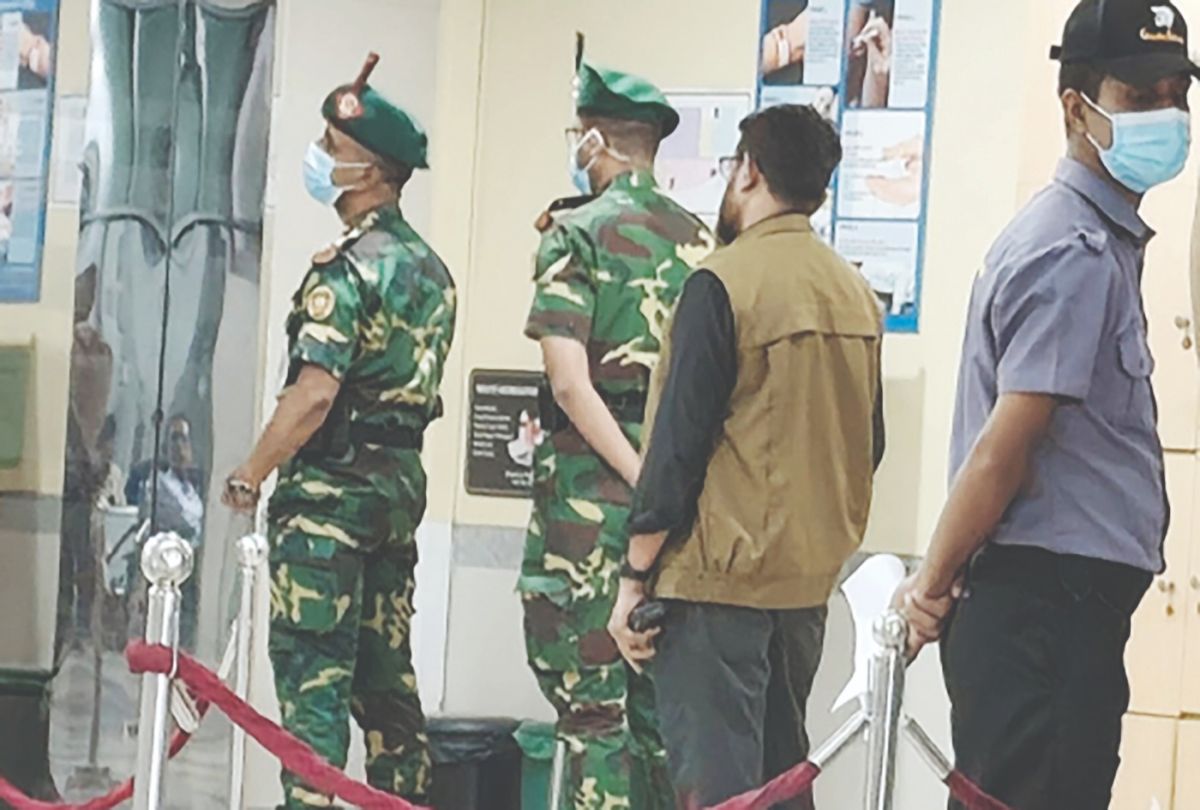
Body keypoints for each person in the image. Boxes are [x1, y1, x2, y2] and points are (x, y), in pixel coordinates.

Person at [891, 2, 1193, 808]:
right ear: (1075, 108)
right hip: (1043, 616)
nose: (1168, 116)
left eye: (1177, 95)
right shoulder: (1072, 249)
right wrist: (929, 586)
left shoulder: (1099, 239)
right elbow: (1004, 447)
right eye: (1140, 97)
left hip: (1060, 614)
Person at [609, 104, 886, 809]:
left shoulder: (722, 284)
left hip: (715, 590)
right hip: (804, 591)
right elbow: (870, 444)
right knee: (782, 787)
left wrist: (634, 578)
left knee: (720, 794)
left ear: (750, 171)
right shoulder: (856, 293)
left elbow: (677, 450)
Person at [222, 53, 456, 808]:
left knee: (314, 682)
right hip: (397, 495)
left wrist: (252, 472)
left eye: (333, 147)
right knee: (387, 680)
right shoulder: (433, 273)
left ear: (371, 173)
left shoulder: (343, 272)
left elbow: (314, 395)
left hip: (329, 503)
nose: (319, 158)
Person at [520, 40, 715, 810]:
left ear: (595, 140)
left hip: (589, 509)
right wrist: (667, 487)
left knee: (593, 719)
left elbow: (570, 384)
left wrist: (641, 479)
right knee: (659, 726)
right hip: (685, 519)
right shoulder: (703, 243)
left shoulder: (575, 234)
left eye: (579, 137)